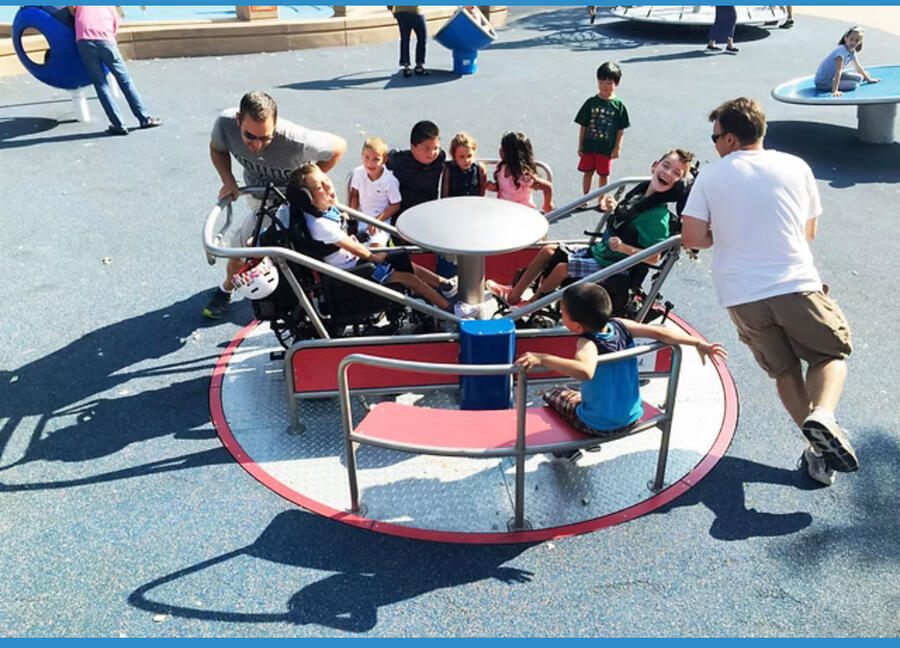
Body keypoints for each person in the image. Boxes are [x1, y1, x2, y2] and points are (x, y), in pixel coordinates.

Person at [681, 97, 857, 487]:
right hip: (794, 281)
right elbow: (808, 232)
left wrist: (725, 233)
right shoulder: (797, 166)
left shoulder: (711, 176)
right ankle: (824, 415)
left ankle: (817, 451)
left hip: (740, 293)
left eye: (714, 137)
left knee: (783, 369)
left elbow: (692, 238)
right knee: (829, 353)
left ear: (728, 138)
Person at [515, 283, 726, 463]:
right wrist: (699, 342)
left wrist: (542, 358)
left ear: (577, 326)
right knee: (578, 394)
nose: (561, 316)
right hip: (633, 415)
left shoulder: (587, 343)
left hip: (598, 424)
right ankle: (586, 436)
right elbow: (661, 332)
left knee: (553, 394)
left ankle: (567, 446)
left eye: (563, 313)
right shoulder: (620, 324)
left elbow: (585, 371)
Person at [487, 149, 693, 314]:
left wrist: (625, 248)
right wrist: (615, 207)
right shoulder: (639, 195)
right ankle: (514, 295)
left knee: (561, 268)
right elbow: (627, 220)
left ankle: (530, 305)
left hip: (616, 265)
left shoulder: (658, 218)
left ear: (679, 183)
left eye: (676, 173)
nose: (668, 173)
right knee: (549, 250)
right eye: (666, 166)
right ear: (655, 166)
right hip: (602, 252)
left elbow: (654, 257)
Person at [202, 91, 347, 319]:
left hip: (294, 202)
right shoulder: (225, 125)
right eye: (250, 136)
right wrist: (228, 181)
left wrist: (305, 184)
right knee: (243, 249)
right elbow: (216, 148)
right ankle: (227, 288)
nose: (257, 145)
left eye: (266, 138)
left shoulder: (298, 141)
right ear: (239, 120)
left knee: (312, 246)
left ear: (276, 126)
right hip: (260, 197)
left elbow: (339, 147)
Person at [290, 163, 456, 310]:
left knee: (402, 259)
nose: (328, 186)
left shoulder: (320, 211)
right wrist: (377, 258)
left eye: (326, 179)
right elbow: (354, 247)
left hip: (354, 260)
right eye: (320, 187)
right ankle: (448, 308)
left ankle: (445, 284)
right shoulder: (320, 225)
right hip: (352, 270)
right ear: (308, 198)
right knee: (408, 277)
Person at [69, 5, 162, 135]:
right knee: (125, 81)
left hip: (85, 41)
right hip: (106, 40)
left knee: (101, 85)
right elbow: (114, 27)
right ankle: (144, 118)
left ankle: (119, 124)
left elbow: (72, 10)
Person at [575, 62, 629, 204]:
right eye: (601, 82)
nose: (605, 86)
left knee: (603, 175)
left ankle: (601, 199)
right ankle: (584, 198)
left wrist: (617, 148)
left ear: (616, 83)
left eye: (609, 82)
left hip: (605, 149)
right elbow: (583, 126)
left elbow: (620, 129)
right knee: (588, 172)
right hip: (589, 146)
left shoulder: (619, 106)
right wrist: (580, 145)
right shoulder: (591, 103)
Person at [385, 120, 446, 245]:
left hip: (427, 214)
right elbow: (382, 158)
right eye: (426, 149)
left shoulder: (440, 158)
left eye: (436, 148)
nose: (432, 153)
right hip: (403, 218)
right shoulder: (399, 161)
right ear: (413, 147)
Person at [348, 137, 401, 248]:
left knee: (377, 249)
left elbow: (395, 205)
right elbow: (354, 196)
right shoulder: (358, 173)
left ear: (384, 160)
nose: (370, 163)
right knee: (356, 249)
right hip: (361, 218)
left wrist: (377, 221)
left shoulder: (390, 180)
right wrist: (353, 219)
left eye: (376, 159)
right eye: (366, 157)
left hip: (381, 221)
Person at [485, 132, 554, 213]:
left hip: (521, 213)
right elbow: (503, 188)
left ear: (512, 154)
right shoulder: (501, 166)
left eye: (503, 148)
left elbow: (547, 187)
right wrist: (493, 187)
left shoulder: (522, 177)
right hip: (504, 210)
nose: (500, 150)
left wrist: (547, 205)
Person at [814, 26, 881, 96]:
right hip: (823, 82)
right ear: (846, 38)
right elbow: (838, 72)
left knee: (860, 78)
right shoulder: (841, 52)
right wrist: (835, 91)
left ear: (860, 42)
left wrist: (869, 80)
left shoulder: (852, 51)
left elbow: (858, 67)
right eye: (851, 39)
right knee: (854, 85)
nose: (853, 42)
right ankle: (837, 84)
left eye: (857, 40)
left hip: (832, 76)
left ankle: (845, 81)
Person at [441, 132, 487, 198]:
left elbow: (482, 195)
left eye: (469, 156)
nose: (466, 160)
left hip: (473, 205)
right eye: (461, 157)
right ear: (454, 156)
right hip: (454, 205)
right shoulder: (448, 169)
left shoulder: (479, 168)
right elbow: (445, 195)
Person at [390, 6, 429, 77]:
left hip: (401, 11)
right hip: (415, 11)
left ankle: (406, 66)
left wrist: (392, 10)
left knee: (405, 39)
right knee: (422, 37)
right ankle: (419, 65)